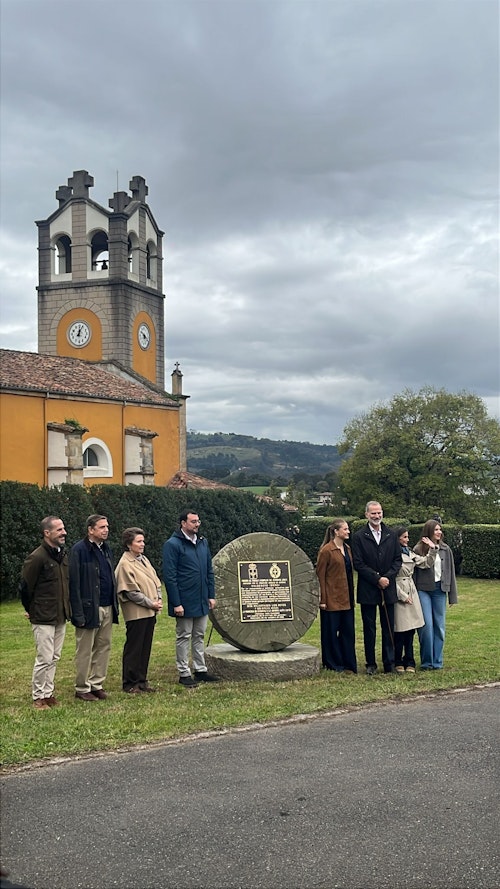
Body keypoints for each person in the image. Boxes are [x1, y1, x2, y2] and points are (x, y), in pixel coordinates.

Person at [162, 509, 220, 687]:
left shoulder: (202, 542)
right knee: (184, 636)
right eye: (193, 521)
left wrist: (211, 595)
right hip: (184, 600)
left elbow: (209, 571)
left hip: (201, 598)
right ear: (183, 523)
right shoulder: (172, 544)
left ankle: (200, 669)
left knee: (199, 635)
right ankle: (184, 672)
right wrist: (176, 603)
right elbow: (170, 576)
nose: (197, 524)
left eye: (198, 521)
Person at [20, 516, 70, 710]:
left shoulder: (62, 555)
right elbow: (25, 587)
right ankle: (38, 696)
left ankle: (48, 693)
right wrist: (31, 609)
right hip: (43, 616)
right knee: (44, 657)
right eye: (59, 530)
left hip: (60, 614)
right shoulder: (37, 557)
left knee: (55, 656)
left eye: (63, 529)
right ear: (46, 533)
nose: (64, 533)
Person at [69, 514, 119, 701]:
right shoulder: (79, 550)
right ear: (90, 530)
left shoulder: (106, 549)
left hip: (107, 605)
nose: (106, 530)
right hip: (89, 607)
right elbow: (74, 583)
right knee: (85, 649)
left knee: (103, 646)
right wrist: (78, 613)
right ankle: (82, 687)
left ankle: (97, 683)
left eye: (107, 527)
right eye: (102, 527)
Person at [351, 501, 402, 675]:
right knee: (369, 628)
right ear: (366, 515)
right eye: (373, 513)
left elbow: (397, 560)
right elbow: (358, 563)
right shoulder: (359, 536)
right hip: (368, 589)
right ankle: (370, 664)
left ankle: (389, 663)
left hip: (388, 588)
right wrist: (377, 578)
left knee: (388, 628)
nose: (377, 516)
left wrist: (387, 577)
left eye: (379, 512)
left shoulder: (391, 535)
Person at [115, 528, 163, 694]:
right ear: (129, 544)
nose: (143, 544)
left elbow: (156, 581)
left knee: (145, 647)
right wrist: (151, 603)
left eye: (143, 541)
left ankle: (142, 681)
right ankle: (130, 683)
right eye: (139, 541)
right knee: (134, 648)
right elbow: (130, 592)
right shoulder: (125, 564)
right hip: (137, 613)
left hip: (150, 611)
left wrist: (159, 599)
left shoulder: (144, 559)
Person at [413, 519, 458, 670]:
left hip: (440, 590)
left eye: (440, 529)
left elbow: (451, 572)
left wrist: (452, 596)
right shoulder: (418, 549)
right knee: (426, 626)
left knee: (439, 626)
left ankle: (437, 662)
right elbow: (414, 573)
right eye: (436, 530)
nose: (439, 532)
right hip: (423, 590)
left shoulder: (446, 549)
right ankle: (427, 662)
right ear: (429, 531)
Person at [315, 519, 357, 674]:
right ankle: (333, 663)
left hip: (347, 598)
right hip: (331, 599)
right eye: (345, 529)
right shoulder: (326, 551)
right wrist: (323, 600)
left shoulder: (347, 548)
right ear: (336, 531)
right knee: (330, 633)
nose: (348, 531)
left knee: (348, 632)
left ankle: (348, 664)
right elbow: (320, 576)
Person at [393, 527, 437, 673]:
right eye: (404, 537)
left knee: (411, 629)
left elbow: (425, 563)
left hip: (411, 589)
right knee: (400, 629)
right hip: (399, 590)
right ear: (397, 538)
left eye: (407, 537)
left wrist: (432, 549)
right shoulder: (391, 554)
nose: (407, 539)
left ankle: (410, 660)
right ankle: (398, 660)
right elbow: (390, 577)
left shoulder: (409, 552)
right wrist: (402, 596)